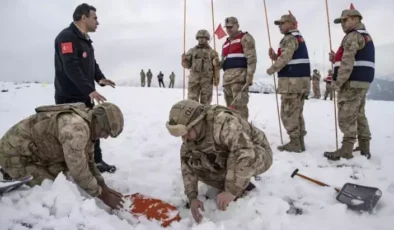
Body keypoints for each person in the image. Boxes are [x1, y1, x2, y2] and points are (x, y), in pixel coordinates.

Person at [0, 102, 124, 210]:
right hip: (15, 155)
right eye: (106, 131)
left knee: (63, 175)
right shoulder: (76, 129)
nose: (106, 137)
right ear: (99, 121)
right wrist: (104, 196)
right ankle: (10, 172)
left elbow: (89, 161)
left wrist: (103, 186)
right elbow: (79, 172)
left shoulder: (88, 122)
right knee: (53, 186)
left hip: (35, 152)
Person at [165, 99, 273, 223]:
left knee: (235, 158)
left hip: (258, 152)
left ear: (197, 123)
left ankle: (239, 186)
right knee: (197, 161)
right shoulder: (191, 135)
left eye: (186, 133)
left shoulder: (223, 123)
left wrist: (231, 190)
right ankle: (235, 181)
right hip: (234, 152)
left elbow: (245, 153)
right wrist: (192, 197)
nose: (184, 138)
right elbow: (186, 164)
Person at [53, 3, 116, 173]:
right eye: (94, 18)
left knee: (93, 129)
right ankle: (72, 167)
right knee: (73, 134)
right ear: (83, 18)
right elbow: (70, 67)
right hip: (69, 97)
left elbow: (92, 64)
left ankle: (96, 161)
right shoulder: (67, 37)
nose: (97, 22)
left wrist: (100, 79)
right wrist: (90, 89)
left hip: (85, 95)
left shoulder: (85, 40)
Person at [324, 5, 374, 160]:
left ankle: (346, 151)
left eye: (345, 20)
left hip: (351, 83)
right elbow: (349, 58)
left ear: (355, 19)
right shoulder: (364, 35)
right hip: (362, 83)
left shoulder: (353, 36)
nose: (342, 24)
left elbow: (347, 62)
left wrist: (338, 83)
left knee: (346, 117)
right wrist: (335, 59)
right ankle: (364, 147)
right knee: (359, 115)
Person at [266, 13, 311, 153]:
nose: (280, 26)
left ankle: (295, 142)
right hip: (301, 81)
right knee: (297, 111)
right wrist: (275, 57)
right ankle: (299, 141)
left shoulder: (289, 38)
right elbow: (289, 57)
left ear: (291, 24)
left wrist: (272, 68)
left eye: (282, 23)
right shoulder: (297, 38)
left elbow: (285, 57)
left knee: (288, 112)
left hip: (292, 82)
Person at [213, 17, 257, 119]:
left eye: (231, 27)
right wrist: (217, 64)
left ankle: (243, 131)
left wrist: (250, 76)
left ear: (237, 26)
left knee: (240, 109)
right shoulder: (225, 43)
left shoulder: (245, 38)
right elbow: (224, 63)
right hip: (227, 81)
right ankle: (234, 132)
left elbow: (251, 58)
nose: (228, 29)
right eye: (227, 27)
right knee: (230, 110)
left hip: (239, 80)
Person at [182, 29, 218, 104]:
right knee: (192, 102)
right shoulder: (192, 51)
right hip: (194, 80)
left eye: (203, 37)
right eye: (199, 37)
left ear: (207, 39)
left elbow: (216, 67)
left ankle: (205, 116)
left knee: (206, 103)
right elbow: (187, 66)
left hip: (207, 81)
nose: (201, 39)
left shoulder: (212, 52)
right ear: (197, 38)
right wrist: (184, 60)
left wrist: (216, 79)